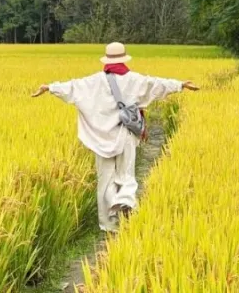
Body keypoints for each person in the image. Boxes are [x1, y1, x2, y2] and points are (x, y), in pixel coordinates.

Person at [30, 42, 199, 233]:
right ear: (124, 58)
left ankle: (109, 223)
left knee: (105, 180)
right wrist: (180, 85)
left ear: (107, 59)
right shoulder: (134, 80)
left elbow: (73, 87)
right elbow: (156, 84)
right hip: (125, 135)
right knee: (126, 174)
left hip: (100, 138)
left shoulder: (94, 81)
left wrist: (49, 87)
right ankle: (124, 201)